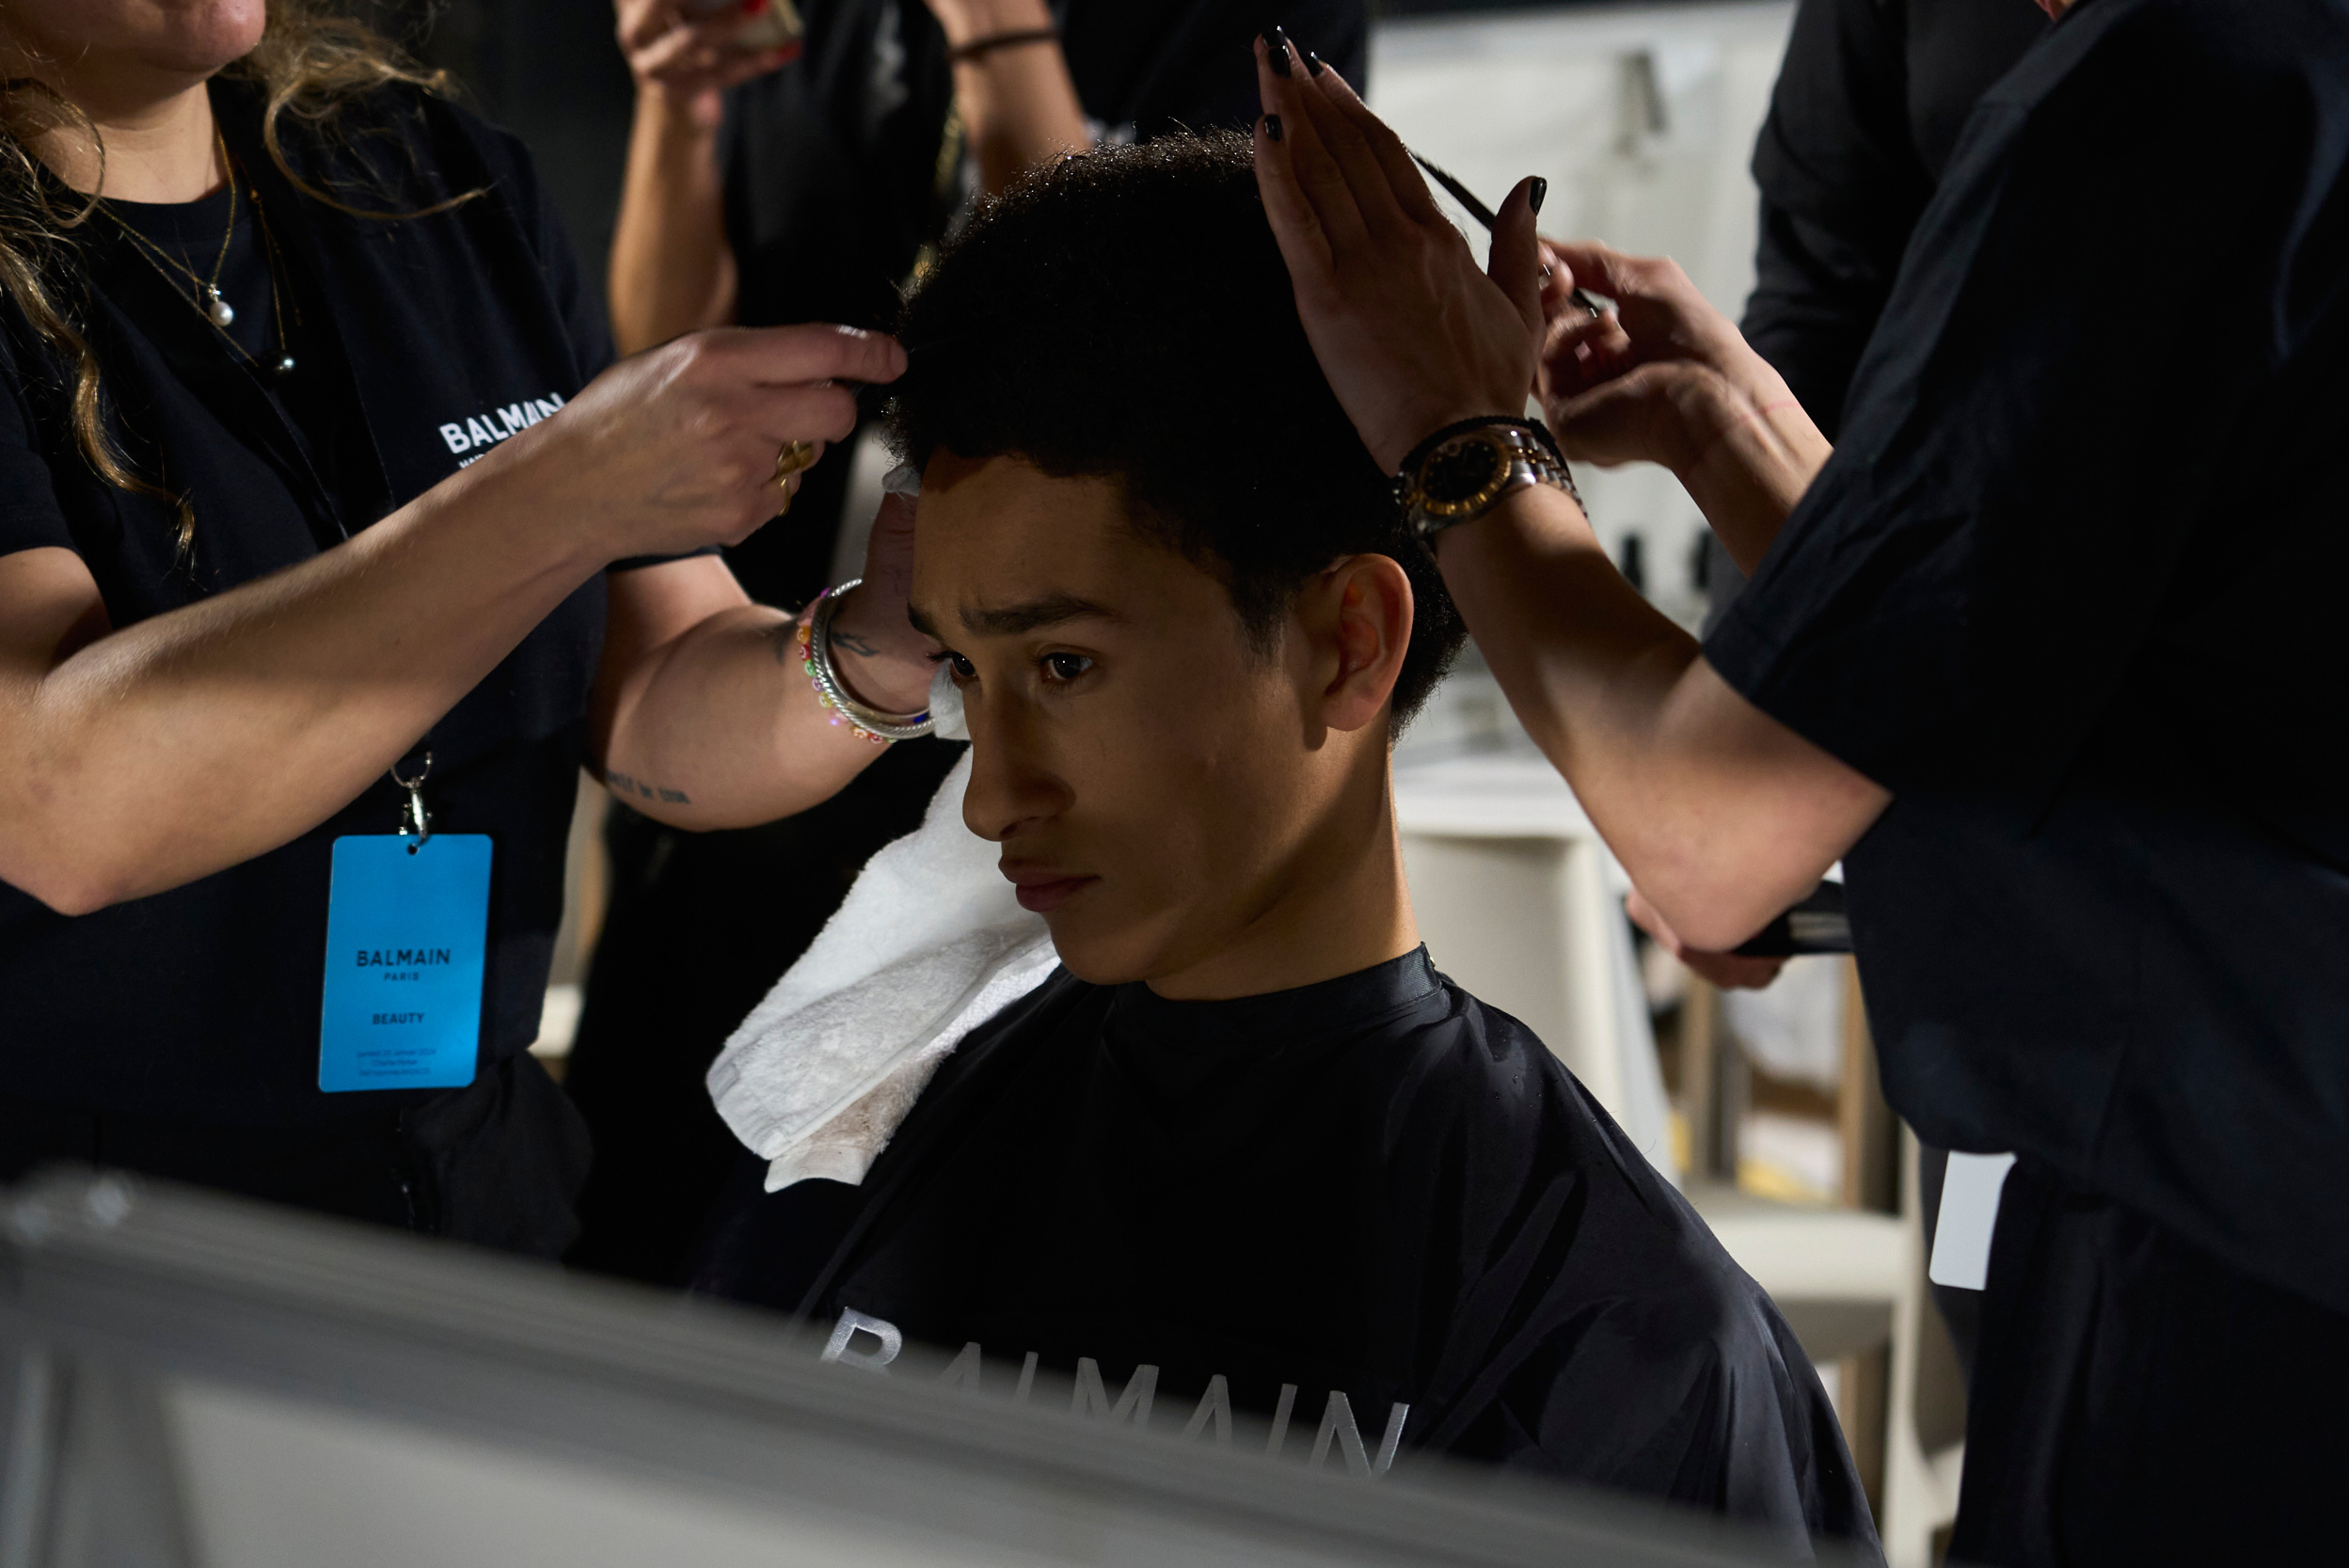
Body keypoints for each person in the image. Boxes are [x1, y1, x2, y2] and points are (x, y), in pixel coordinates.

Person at [1246, 7, 2349, 1561]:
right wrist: (1738, 425)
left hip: (2237, 1294)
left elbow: (1709, 831)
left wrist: (1456, 426)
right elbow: (2110, 672)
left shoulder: (2180, 94)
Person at [696, 132, 1880, 1554]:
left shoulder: (1609, 1330)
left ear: (1348, 644)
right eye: (967, 674)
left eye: (1064, 668)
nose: (996, 793)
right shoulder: (870, 1142)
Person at [0, 0, 938, 1254]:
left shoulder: (426, 174)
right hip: (87, 1235)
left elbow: (659, 684)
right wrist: (559, 493)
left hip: (470, 1181)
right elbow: (63, 804)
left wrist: (881, 643)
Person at [569, 0, 1370, 1287]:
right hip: (762, 700)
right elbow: (668, 368)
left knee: (982, 1265)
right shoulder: (830, 24)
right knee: (658, 1232)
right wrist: (681, 114)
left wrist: (998, 35)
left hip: (1061, 762)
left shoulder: (1251, 26)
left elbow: (1123, 358)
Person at [1723, 0, 2052, 1378]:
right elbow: (1817, 292)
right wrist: (1750, 729)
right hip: (1996, 842)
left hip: (2188, 836)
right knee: (2018, 1339)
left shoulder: (2197, 85)